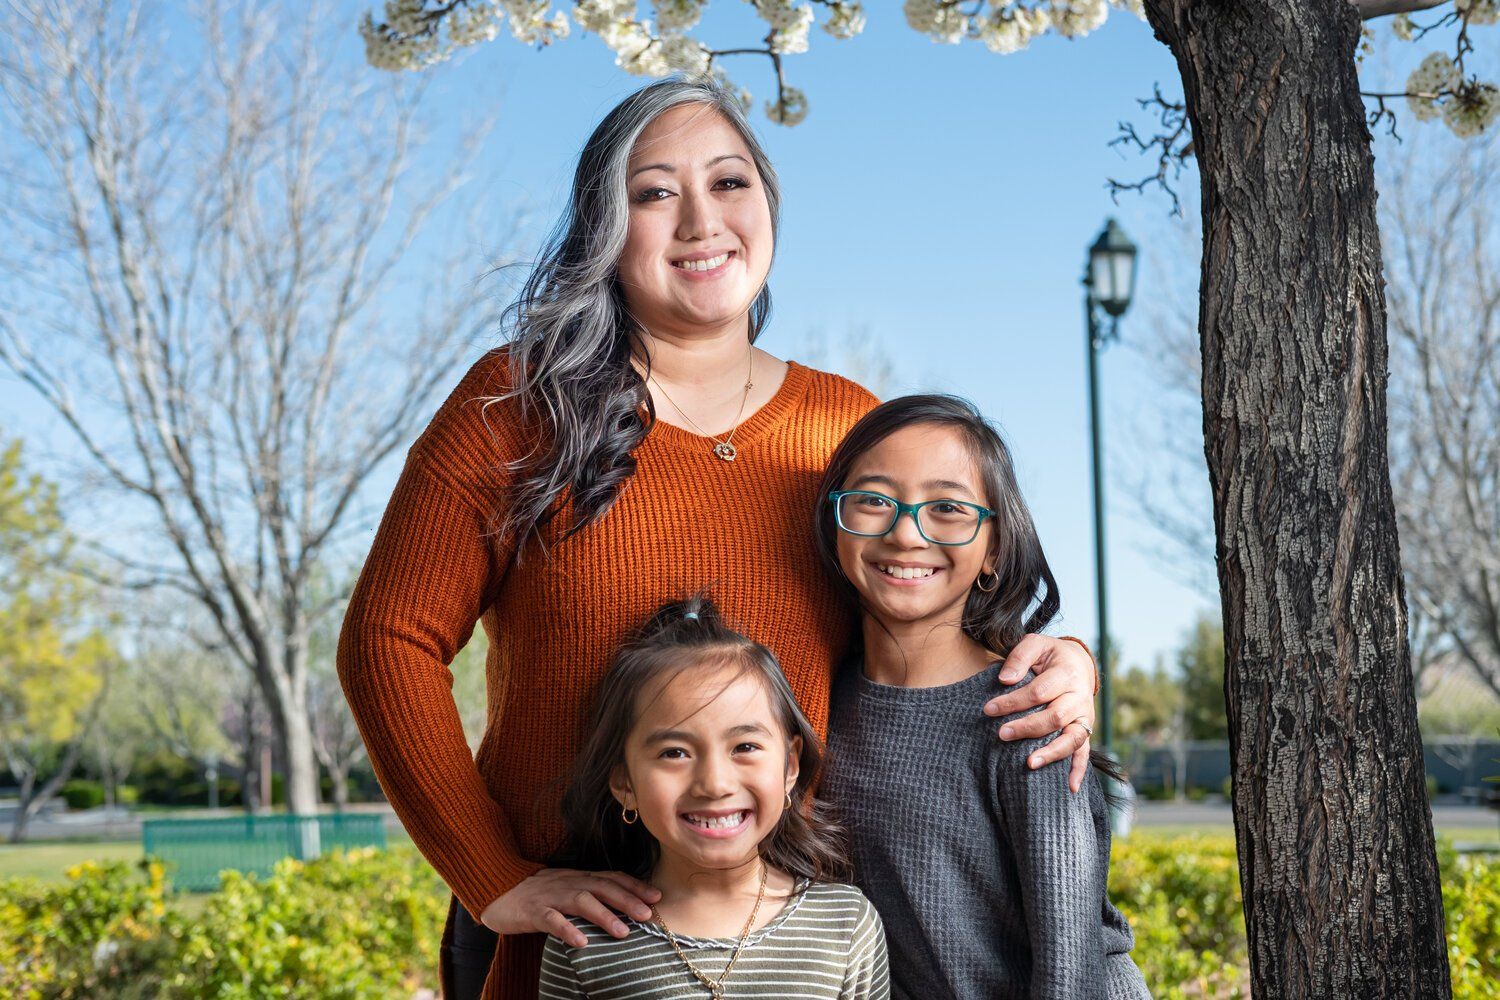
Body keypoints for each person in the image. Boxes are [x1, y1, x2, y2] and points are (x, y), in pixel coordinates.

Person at [337, 78, 1099, 1000]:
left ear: (768, 207)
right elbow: (387, 640)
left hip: (787, 942)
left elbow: (923, 611)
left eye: (730, 183)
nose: (701, 220)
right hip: (567, 936)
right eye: (654, 193)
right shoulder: (516, 405)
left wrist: (1060, 659)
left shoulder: (841, 428)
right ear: (605, 230)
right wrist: (493, 875)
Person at [816, 394, 1151, 999]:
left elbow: (1070, 972)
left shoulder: (1030, 718)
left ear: (994, 547)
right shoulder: (818, 706)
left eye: (947, 507)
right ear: (835, 524)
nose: (905, 532)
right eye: (872, 500)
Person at [536, 596, 889, 998]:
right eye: (674, 753)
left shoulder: (844, 924)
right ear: (625, 784)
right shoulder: (583, 938)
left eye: (745, 747)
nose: (715, 783)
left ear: (790, 766)